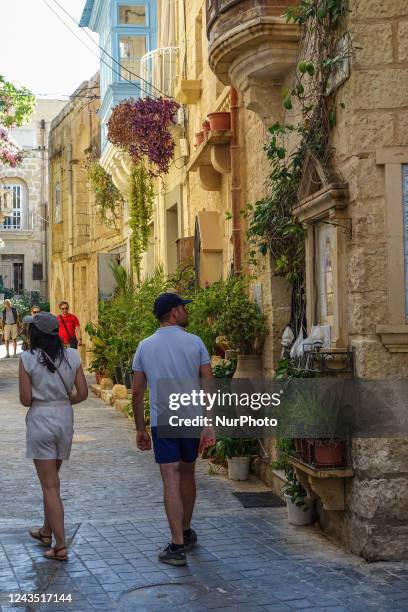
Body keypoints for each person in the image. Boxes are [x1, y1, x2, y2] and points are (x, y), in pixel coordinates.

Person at [132, 292, 215, 566]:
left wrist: (140, 428)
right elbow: (208, 384)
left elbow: (136, 392)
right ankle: (187, 530)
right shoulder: (196, 343)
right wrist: (209, 422)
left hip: (163, 419)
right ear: (173, 312)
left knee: (170, 478)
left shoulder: (145, 346)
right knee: (188, 474)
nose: (186, 312)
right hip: (191, 417)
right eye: (183, 307)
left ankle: (177, 544)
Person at [19, 312, 88, 561]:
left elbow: (26, 399)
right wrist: (62, 400)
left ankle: (60, 546)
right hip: (64, 418)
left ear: (35, 333)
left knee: (50, 486)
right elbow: (82, 393)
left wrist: (44, 397)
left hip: (41, 419)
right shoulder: (72, 355)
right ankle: (46, 531)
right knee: (53, 481)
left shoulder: (27, 358)